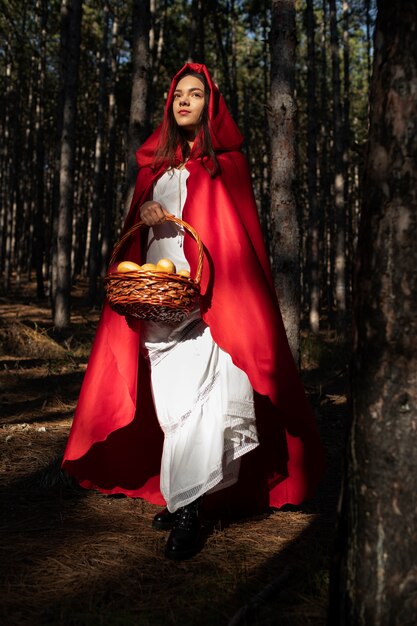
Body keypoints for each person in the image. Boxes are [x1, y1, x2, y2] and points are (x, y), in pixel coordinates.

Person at [62, 63, 325, 561]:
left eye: (196, 94)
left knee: (206, 403)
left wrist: (225, 297)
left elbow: (235, 240)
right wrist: (144, 216)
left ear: (210, 104)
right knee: (173, 407)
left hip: (213, 302)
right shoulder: (151, 171)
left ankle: (187, 509)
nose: (184, 101)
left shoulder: (227, 165)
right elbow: (140, 236)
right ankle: (184, 491)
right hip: (159, 296)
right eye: (178, 94)